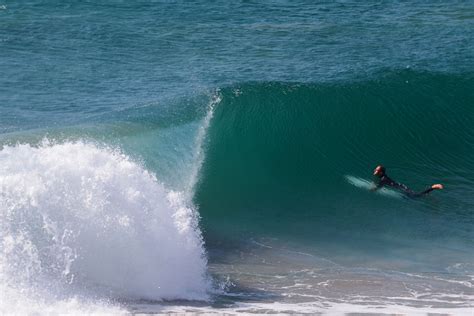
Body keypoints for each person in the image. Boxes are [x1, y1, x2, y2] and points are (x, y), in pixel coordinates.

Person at [371, 165, 443, 197]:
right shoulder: (383, 178)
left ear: (380, 172)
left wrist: (371, 189)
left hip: (402, 189)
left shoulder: (383, 179)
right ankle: (429, 191)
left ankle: (433, 187)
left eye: (376, 170)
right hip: (401, 187)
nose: (374, 170)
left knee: (416, 196)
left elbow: (376, 188)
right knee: (414, 197)